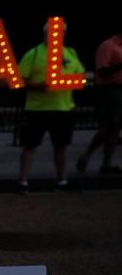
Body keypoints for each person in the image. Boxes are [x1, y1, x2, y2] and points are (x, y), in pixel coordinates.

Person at [17, 24, 86, 194]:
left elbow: (81, 77)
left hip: (63, 108)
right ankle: (23, 182)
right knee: (29, 146)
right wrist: (37, 86)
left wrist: (74, 82)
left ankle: (62, 181)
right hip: (37, 109)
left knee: (61, 146)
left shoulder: (70, 53)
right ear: (45, 34)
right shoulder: (33, 54)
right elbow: (19, 80)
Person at [76, 29, 122, 174]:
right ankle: (87, 155)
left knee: (115, 128)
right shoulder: (108, 46)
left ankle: (107, 163)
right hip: (110, 89)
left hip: (118, 90)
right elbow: (102, 70)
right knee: (110, 126)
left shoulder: (118, 47)